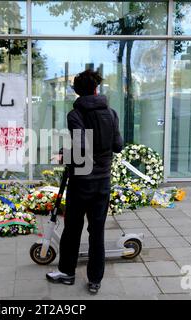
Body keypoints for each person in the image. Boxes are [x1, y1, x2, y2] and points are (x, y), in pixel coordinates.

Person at [46, 69, 123, 294]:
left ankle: (67, 273)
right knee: (97, 231)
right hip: (102, 182)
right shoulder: (112, 113)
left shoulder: (75, 114)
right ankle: (94, 280)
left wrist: (63, 153)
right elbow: (118, 146)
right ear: (96, 89)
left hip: (81, 182)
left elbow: (80, 148)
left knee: (72, 229)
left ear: (77, 92)